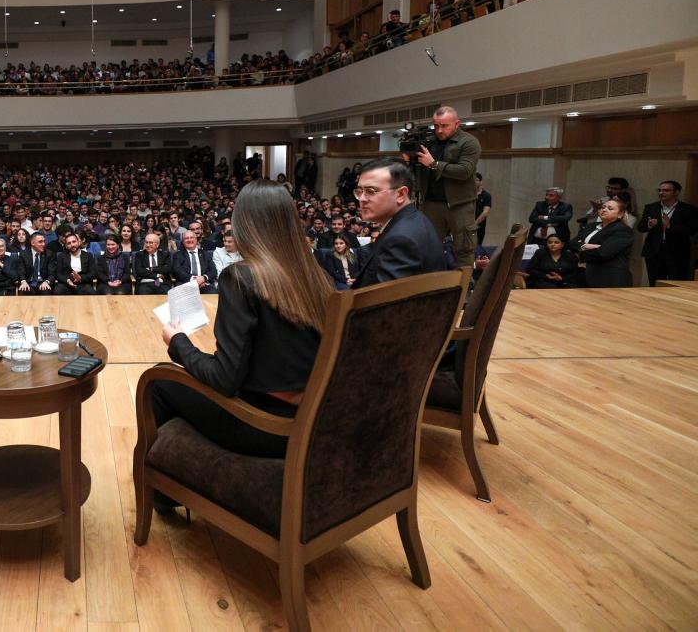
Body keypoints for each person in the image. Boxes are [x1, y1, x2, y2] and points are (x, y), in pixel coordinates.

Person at [150, 180, 333, 513]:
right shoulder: (317, 275)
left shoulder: (241, 277)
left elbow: (224, 379)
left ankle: (166, 490)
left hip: (265, 425)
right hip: (316, 418)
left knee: (158, 384)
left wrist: (178, 343)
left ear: (246, 225)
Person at [352, 158, 447, 288]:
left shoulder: (400, 239)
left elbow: (386, 303)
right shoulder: (415, 220)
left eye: (370, 191)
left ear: (401, 194)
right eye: (360, 191)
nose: (362, 198)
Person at [412, 106, 481, 268]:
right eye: (436, 126)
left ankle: (464, 289)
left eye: (444, 126)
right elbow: (416, 173)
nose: (439, 130)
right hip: (431, 203)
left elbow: (464, 171)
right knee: (427, 248)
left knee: (464, 249)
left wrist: (434, 164)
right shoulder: (427, 142)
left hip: (460, 204)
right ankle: (431, 287)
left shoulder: (469, 142)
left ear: (457, 124)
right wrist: (410, 160)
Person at [638, 180, 698, 285]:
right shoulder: (651, 207)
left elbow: (692, 230)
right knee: (654, 283)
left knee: (677, 284)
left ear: (676, 192)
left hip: (677, 253)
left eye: (666, 190)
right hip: (654, 251)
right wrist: (649, 225)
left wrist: (670, 226)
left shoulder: (688, 209)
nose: (661, 193)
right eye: (660, 190)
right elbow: (640, 228)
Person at [573, 198, 634, 287]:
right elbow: (572, 243)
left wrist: (580, 253)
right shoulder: (591, 226)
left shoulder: (623, 230)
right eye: (603, 207)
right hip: (589, 274)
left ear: (620, 214)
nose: (604, 209)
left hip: (610, 278)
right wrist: (585, 246)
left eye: (610, 208)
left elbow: (603, 253)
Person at [169, 230, 218, 294]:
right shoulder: (178, 255)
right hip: (185, 284)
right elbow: (177, 270)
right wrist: (193, 279)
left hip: (204, 284)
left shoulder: (205, 254)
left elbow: (213, 271)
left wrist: (203, 278)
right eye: (186, 238)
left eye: (192, 237)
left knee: (213, 293)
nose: (189, 240)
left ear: (196, 240)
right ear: (183, 241)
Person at [52, 231, 98, 295]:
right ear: (66, 246)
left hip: (83, 284)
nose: (72, 245)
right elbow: (58, 274)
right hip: (66, 284)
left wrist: (81, 278)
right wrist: (67, 280)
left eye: (74, 242)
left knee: (91, 293)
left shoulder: (88, 255)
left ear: (78, 242)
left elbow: (93, 273)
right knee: (57, 291)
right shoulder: (61, 256)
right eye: (69, 243)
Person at [473, 174, 491, 245]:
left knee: (477, 247)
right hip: (466, 225)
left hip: (479, 227)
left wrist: (474, 224)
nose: (474, 182)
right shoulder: (469, 194)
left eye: (476, 180)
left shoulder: (486, 195)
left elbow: (485, 212)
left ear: (481, 182)